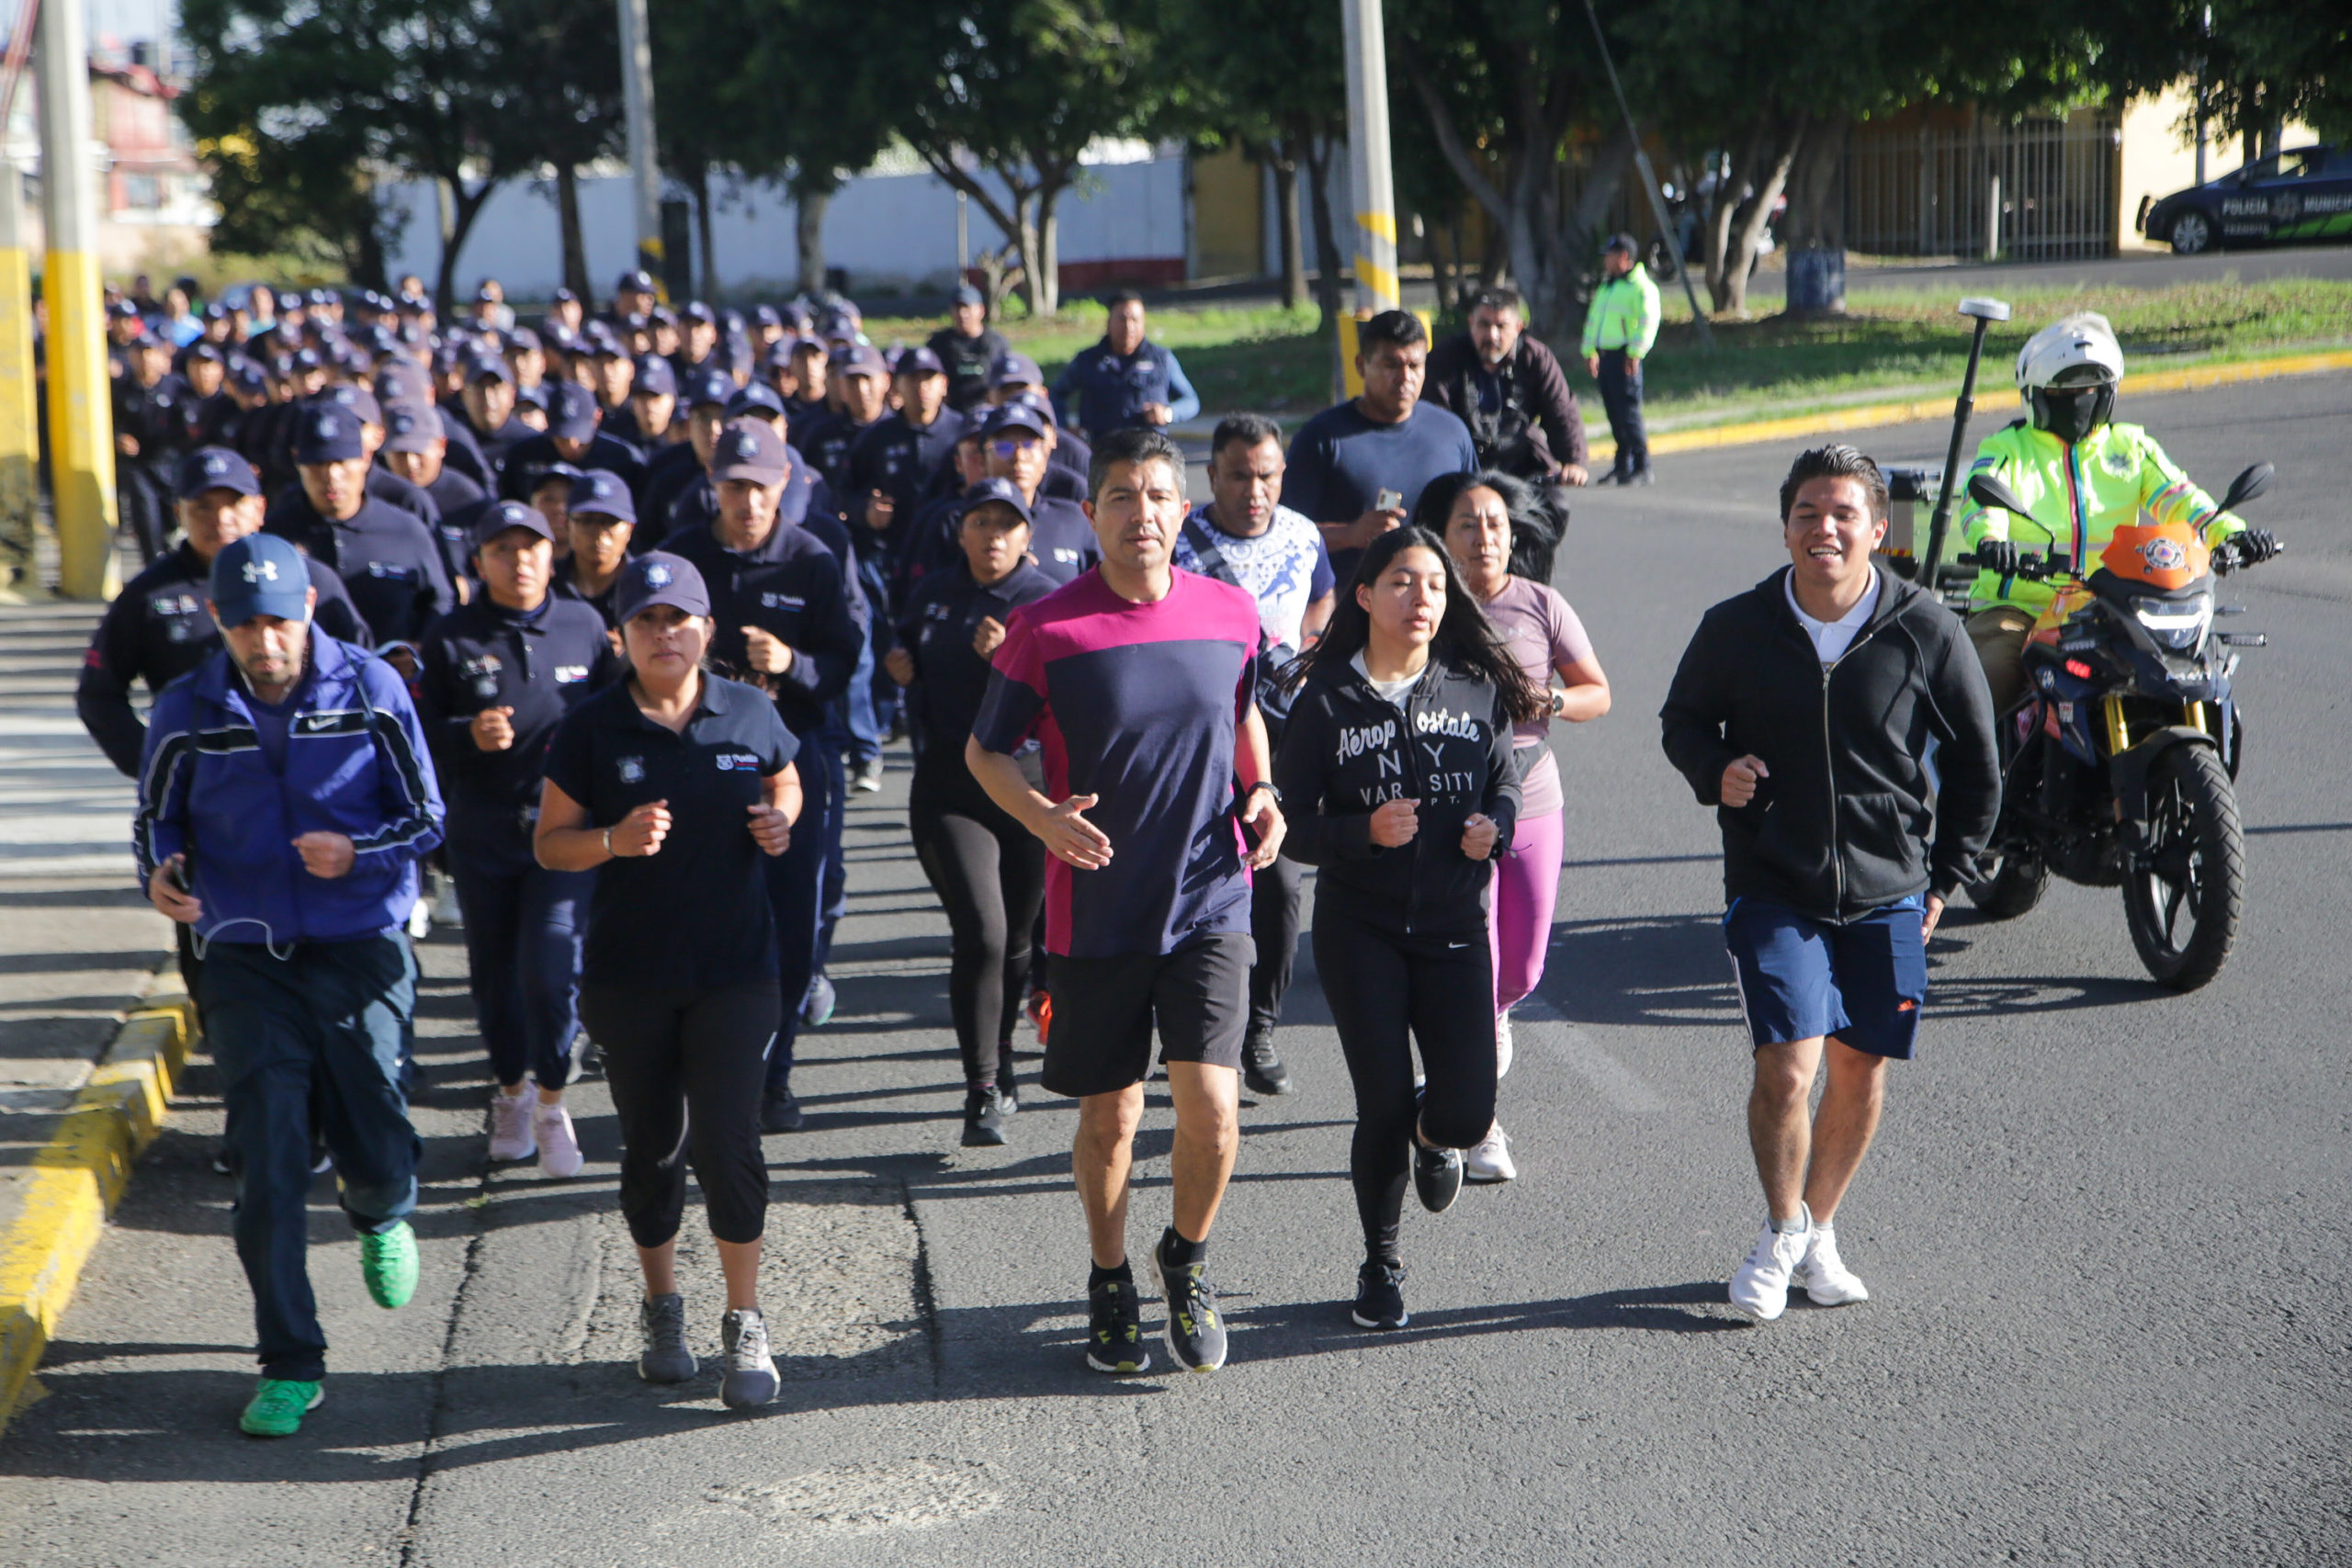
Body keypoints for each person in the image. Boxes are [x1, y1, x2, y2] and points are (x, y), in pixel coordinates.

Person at [966, 427, 1286, 1375]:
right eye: (1120, 496)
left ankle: (1183, 1259)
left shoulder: (1230, 613)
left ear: (1180, 510)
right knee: (1110, 1119)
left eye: (1156, 495)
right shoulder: (1047, 627)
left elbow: (1241, 714)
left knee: (1214, 1113)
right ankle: (1110, 1278)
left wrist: (1260, 793)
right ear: (1091, 513)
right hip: (1097, 905)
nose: (1140, 513)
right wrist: (1040, 818)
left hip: (1209, 895)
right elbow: (983, 752)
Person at [1658, 444, 2000, 1322]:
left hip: (1890, 887)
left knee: (1860, 1068)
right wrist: (1716, 768)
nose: (1825, 528)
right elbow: (1682, 720)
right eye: (1808, 513)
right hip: (1775, 879)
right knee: (1788, 1064)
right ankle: (1779, 1232)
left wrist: (1945, 879)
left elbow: (1977, 765)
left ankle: (1819, 1227)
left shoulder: (1926, 628)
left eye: (1844, 513)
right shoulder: (1736, 626)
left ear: (1879, 530)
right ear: (1785, 527)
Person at [134, 532, 445, 1437]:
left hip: (359, 943)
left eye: (278, 621)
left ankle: (380, 1203)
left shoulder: (372, 687)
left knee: (374, 1121)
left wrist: (357, 852)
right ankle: (289, 1361)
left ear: (308, 610)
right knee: (267, 1150)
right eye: (244, 625)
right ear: (219, 624)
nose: (264, 642)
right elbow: (157, 817)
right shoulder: (187, 708)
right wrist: (160, 871)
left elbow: (426, 816)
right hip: (241, 952)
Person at [536, 551, 802, 1408]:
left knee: (729, 1141)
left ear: (707, 630)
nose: (664, 634)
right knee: (654, 1149)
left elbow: (788, 776)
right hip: (631, 977)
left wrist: (777, 819)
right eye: (646, 620)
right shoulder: (590, 727)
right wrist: (612, 839)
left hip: (737, 968)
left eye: (679, 618)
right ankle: (661, 1304)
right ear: (621, 633)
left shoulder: (749, 709)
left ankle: (746, 1322)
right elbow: (549, 843)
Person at [1273, 525, 1536, 1329]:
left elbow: (1506, 786)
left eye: (1432, 583)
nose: (1419, 597)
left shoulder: (1473, 687)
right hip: (1362, 931)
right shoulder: (1323, 700)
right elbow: (1290, 821)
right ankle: (1380, 1263)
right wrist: (1360, 832)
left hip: (1457, 922)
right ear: (1363, 596)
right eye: (1399, 582)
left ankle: (1436, 1133)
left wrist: (1496, 826)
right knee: (1378, 1105)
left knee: (1466, 1112)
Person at [662, 421, 865, 1134]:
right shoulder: (681, 558)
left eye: (761, 486)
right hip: (693, 762)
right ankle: (698, 1072)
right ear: (713, 486)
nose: (748, 501)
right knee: (693, 913)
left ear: (785, 485)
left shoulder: (813, 557)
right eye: (735, 486)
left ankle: (774, 1075)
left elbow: (843, 660)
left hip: (790, 758)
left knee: (790, 920)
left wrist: (791, 664)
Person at [417, 501, 619, 1175]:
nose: (520, 559)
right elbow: (417, 738)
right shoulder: (449, 637)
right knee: (496, 976)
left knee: (551, 968)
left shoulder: (584, 623)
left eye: (531, 546)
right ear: (479, 563)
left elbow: (620, 711)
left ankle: (554, 1101)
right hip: (484, 834)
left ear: (550, 552)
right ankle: (512, 1093)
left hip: (564, 831)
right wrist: (465, 735)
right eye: (502, 550)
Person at [1422, 470, 1611, 1183]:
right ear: (1443, 536)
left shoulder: (1541, 604)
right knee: (1472, 968)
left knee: (1521, 969)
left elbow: (1599, 692)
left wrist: (1549, 698)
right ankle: (1479, 1122)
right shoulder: (1427, 604)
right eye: (1468, 524)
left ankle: (1489, 1026)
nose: (1484, 536)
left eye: (1496, 523)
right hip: (1450, 814)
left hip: (1532, 802)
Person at [1960, 311, 2278, 715]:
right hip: (2020, 608)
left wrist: (2230, 533)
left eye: (2091, 388)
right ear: (2036, 395)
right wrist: (1992, 543)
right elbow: (1981, 502)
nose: (2079, 400)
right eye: (2064, 391)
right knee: (1985, 687)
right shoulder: (2007, 447)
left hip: (2111, 608)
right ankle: (1959, 776)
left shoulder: (2131, 447)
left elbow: (2182, 499)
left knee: (2183, 677)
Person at [885, 479, 1059, 1145]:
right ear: (960, 531)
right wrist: (898, 668)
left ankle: (1006, 1055)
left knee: (1018, 938)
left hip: (1029, 790)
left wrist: (1005, 663)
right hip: (949, 790)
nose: (993, 535)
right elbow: (908, 666)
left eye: (1006, 524)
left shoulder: (1045, 602)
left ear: (1028, 536)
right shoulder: (934, 594)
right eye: (980, 522)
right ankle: (981, 1087)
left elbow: (1068, 702)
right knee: (982, 933)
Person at [1170, 414, 1337, 1100]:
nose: (1253, 489)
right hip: (1203, 741)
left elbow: (1323, 591)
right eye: (1238, 475)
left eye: (1266, 475)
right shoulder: (1181, 542)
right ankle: (1187, 1032)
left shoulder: (1303, 533)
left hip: (1286, 743)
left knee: (1282, 887)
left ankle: (1259, 1029)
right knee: (1194, 888)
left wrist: (1312, 635)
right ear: (1211, 477)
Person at [79, 448, 371, 782]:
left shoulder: (308, 581)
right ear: (178, 513)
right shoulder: (148, 595)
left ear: (260, 509)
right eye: (203, 507)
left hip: (309, 775)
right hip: (206, 787)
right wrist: (156, 763)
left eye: (234, 504)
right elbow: (98, 694)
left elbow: (359, 673)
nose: (220, 519)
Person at [1283, 309, 1476, 586]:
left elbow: (1475, 515)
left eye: (1414, 366)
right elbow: (1283, 533)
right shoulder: (1322, 438)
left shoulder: (1452, 431)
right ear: (1361, 365)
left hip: (1435, 607)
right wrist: (1351, 534)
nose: (1404, 377)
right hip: (1350, 609)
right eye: (1391, 365)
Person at [263, 403, 455, 667]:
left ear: (365, 458)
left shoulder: (406, 530)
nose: (331, 476)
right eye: (318, 463)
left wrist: (419, 648)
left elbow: (441, 600)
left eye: (341, 462)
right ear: (298, 461)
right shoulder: (275, 535)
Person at [1422, 287, 1589, 569]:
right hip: (1465, 471)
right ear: (1470, 323)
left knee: (1555, 508)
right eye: (1484, 325)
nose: (1492, 335)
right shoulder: (1446, 358)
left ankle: (1529, 582)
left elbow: (1561, 410)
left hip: (1519, 468)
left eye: (1501, 326)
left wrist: (1573, 460)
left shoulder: (1536, 357)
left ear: (1518, 327)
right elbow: (1434, 420)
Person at [1049, 290, 1201, 443]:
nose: (1128, 326)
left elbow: (1191, 401)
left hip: (1148, 452)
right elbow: (1056, 393)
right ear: (1109, 322)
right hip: (1102, 453)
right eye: (1122, 319)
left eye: (1135, 319)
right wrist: (1064, 429)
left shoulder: (1162, 359)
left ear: (1143, 322)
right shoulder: (1087, 360)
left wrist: (1168, 413)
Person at [1580, 233, 1660, 486]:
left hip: (1625, 356)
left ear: (1624, 257)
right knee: (1614, 413)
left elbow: (1648, 322)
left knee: (1629, 413)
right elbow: (1593, 321)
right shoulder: (1609, 286)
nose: (1606, 261)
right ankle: (1622, 465)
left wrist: (1635, 352)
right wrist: (1589, 350)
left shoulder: (1641, 287)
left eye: (1610, 256)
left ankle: (1642, 466)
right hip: (1605, 357)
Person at [112, 333, 190, 562]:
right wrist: (119, 438)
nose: (145, 359)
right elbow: (108, 421)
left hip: (170, 464)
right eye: (139, 353)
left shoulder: (176, 387)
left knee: (174, 522)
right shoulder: (122, 388)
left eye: (150, 353)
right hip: (138, 465)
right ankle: (152, 566)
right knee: (146, 518)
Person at [557, 469, 637, 629]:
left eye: (610, 522)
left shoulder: (643, 586)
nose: (599, 533)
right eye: (587, 521)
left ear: (629, 529)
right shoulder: (546, 583)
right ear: (567, 524)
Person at [927, 284, 1011, 413]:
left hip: (989, 412)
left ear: (981, 310)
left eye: (967, 307)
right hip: (951, 413)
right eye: (957, 308)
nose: (962, 314)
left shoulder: (997, 343)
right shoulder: (938, 344)